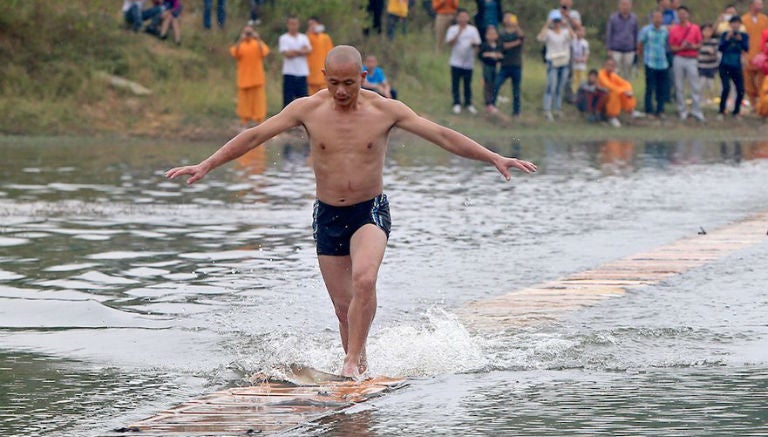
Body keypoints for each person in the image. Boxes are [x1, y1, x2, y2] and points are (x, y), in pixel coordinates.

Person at [164, 45, 537, 379]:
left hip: (369, 211)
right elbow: (254, 136)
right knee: (344, 310)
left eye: (349, 83)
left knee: (364, 280)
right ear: (323, 77)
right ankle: (359, 365)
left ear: (363, 77)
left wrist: (492, 156)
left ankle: (350, 361)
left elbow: (441, 134)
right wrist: (208, 164)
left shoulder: (385, 110)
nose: (341, 92)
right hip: (327, 215)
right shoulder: (306, 109)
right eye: (334, 83)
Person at [669, 5, 704, 122]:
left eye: (684, 13)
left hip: (691, 58)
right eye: (680, 14)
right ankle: (682, 110)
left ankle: (696, 110)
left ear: (687, 15)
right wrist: (681, 47)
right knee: (679, 86)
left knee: (695, 86)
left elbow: (699, 44)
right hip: (679, 58)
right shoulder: (674, 29)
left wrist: (692, 46)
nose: (682, 16)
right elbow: (672, 47)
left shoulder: (695, 28)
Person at [230, 25, 270, 128]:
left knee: (258, 101)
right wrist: (240, 39)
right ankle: (244, 120)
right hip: (244, 78)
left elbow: (265, 52)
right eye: (246, 32)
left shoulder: (257, 44)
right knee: (244, 102)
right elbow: (234, 53)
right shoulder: (241, 45)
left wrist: (258, 38)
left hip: (256, 77)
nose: (248, 35)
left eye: (250, 33)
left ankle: (259, 119)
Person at [538, 16, 574, 121]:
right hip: (553, 61)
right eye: (555, 22)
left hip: (564, 61)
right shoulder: (549, 33)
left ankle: (557, 109)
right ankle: (547, 110)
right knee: (551, 86)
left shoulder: (565, 32)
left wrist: (567, 25)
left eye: (559, 22)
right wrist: (546, 24)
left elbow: (573, 37)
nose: (557, 24)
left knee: (560, 87)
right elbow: (540, 38)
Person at [446, 9, 481, 115]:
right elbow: (449, 42)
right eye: (461, 16)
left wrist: (473, 44)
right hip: (455, 61)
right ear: (457, 18)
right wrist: (458, 34)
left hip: (468, 62)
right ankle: (456, 103)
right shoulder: (453, 29)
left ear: (468, 18)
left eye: (465, 16)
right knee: (455, 83)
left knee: (467, 84)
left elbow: (478, 43)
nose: (463, 19)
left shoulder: (472, 30)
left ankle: (468, 103)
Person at [638, 10, 670, 118]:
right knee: (650, 87)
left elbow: (666, 44)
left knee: (661, 88)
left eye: (660, 17)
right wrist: (641, 57)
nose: (658, 20)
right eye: (656, 17)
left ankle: (660, 110)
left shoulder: (665, 31)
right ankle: (648, 110)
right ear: (652, 19)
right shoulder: (646, 30)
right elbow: (640, 44)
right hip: (650, 62)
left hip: (662, 63)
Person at [491, 12, 524, 117]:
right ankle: (492, 106)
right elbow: (503, 46)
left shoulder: (517, 32)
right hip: (505, 65)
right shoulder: (502, 33)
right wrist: (516, 43)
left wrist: (516, 25)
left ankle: (516, 111)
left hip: (516, 65)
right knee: (496, 84)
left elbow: (522, 38)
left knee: (516, 90)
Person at [718, 16, 749, 118]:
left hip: (736, 65)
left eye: (737, 23)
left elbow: (746, 48)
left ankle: (736, 111)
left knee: (740, 90)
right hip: (725, 65)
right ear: (730, 24)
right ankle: (722, 110)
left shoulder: (744, 36)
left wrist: (740, 40)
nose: (735, 25)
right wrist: (727, 38)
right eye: (733, 23)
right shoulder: (725, 34)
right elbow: (720, 48)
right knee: (726, 88)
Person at [597, 57, 641, 127]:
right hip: (601, 96)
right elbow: (608, 86)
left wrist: (627, 90)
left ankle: (630, 110)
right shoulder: (601, 74)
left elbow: (625, 83)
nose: (610, 67)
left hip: (611, 93)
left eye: (612, 66)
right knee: (615, 93)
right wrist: (623, 91)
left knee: (626, 91)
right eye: (608, 65)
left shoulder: (613, 75)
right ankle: (612, 116)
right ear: (604, 65)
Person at [279, 16, 311, 108]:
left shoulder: (303, 37)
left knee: (304, 101)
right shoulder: (284, 38)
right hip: (289, 72)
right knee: (288, 101)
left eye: (295, 24)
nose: (293, 26)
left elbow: (308, 51)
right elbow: (287, 54)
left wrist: (294, 51)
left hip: (302, 72)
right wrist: (301, 51)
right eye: (291, 24)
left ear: (298, 25)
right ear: (288, 25)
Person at [742, 0, 768, 108]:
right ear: (751, 5)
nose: (760, 6)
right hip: (748, 54)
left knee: (762, 81)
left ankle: (762, 105)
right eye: (757, 4)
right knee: (748, 81)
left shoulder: (765, 19)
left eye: (761, 4)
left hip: (762, 56)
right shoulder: (743, 19)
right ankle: (753, 104)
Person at [606, 0, 638, 80]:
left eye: (627, 5)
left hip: (629, 49)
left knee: (627, 73)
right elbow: (609, 33)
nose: (625, 7)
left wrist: (637, 47)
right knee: (615, 72)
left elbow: (636, 33)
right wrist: (609, 48)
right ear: (619, 6)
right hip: (616, 49)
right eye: (623, 5)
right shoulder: (613, 18)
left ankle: (626, 90)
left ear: (630, 6)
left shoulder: (634, 18)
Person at [307, 17, 334, 96]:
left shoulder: (325, 38)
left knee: (325, 98)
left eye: (313, 24)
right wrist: (308, 32)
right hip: (311, 76)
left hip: (323, 75)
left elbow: (331, 54)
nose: (312, 26)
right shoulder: (307, 37)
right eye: (310, 25)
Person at [479, 26, 502, 112]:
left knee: (494, 84)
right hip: (487, 66)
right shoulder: (485, 45)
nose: (492, 35)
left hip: (495, 67)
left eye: (494, 33)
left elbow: (502, 55)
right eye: (490, 33)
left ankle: (493, 102)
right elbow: (481, 55)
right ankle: (488, 103)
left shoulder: (498, 45)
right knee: (487, 84)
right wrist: (490, 55)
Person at [697, 24, 719, 105]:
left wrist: (713, 52)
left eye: (709, 31)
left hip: (711, 66)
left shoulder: (714, 42)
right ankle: (700, 99)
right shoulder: (700, 41)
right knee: (701, 84)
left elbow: (718, 53)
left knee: (710, 85)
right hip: (701, 66)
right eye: (705, 31)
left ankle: (710, 99)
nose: (707, 33)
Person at [571, 26, 589, 96]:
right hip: (574, 64)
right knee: (574, 80)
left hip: (582, 65)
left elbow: (586, 54)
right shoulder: (573, 41)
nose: (580, 33)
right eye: (579, 31)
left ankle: (581, 94)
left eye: (582, 31)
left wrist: (583, 59)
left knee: (582, 79)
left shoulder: (585, 43)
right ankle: (574, 94)